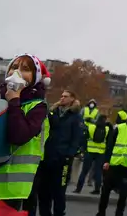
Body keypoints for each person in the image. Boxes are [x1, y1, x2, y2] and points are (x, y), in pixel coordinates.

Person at [0, 54, 51, 211]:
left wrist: (14, 101)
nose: (17, 72)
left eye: (25, 69)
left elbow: (19, 136)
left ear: (35, 77)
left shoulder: (37, 107)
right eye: (14, 67)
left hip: (8, 187)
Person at [38, 88, 85, 216]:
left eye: (65, 96)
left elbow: (77, 138)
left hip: (62, 159)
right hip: (47, 156)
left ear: (72, 99)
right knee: (43, 191)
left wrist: (69, 154)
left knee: (59, 191)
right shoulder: (53, 112)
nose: (62, 98)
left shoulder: (76, 117)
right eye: (62, 96)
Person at [96, 107, 127, 216]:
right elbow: (110, 145)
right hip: (114, 164)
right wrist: (106, 161)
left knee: (123, 195)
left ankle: (119, 214)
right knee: (105, 191)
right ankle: (101, 212)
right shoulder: (120, 127)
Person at [76, 112, 110, 195]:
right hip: (101, 153)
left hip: (89, 151)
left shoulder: (91, 127)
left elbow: (84, 138)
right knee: (98, 171)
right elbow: (109, 143)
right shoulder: (107, 129)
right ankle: (97, 189)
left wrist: (83, 150)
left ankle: (78, 188)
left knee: (84, 171)